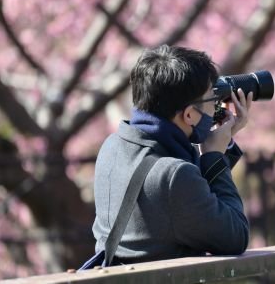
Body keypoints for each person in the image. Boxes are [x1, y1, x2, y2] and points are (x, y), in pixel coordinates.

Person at [92, 45, 252, 264]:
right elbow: (236, 236)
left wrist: (219, 148)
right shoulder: (174, 176)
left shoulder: (112, 147)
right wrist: (213, 156)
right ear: (188, 114)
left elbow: (189, 199)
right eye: (211, 99)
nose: (215, 105)